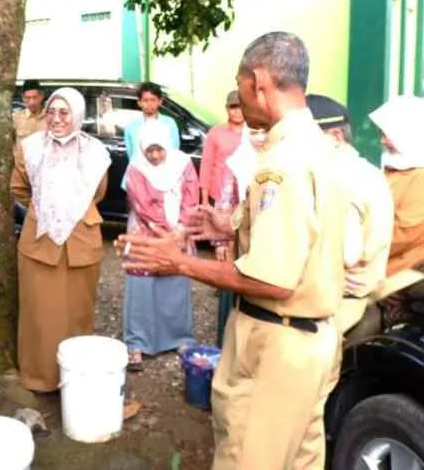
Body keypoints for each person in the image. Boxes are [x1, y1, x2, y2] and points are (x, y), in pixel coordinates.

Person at [117, 32, 348, 469]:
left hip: (278, 346)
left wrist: (180, 263)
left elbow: (271, 280)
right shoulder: (321, 147)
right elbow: (307, 233)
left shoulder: (281, 165)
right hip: (314, 341)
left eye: (239, 87)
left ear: (258, 81)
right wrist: (225, 224)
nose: (239, 99)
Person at [11, 87, 111, 392]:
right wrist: (48, 208)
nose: (56, 119)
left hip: (81, 240)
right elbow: (19, 188)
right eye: (51, 112)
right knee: (39, 314)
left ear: (77, 115)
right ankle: (40, 379)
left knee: (78, 313)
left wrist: (70, 209)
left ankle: (76, 380)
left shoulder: (95, 151)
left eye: (64, 112)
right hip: (40, 241)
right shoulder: (30, 147)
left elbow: (99, 193)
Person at [306, 94, 394, 342]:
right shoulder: (367, 172)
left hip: (337, 311)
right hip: (354, 301)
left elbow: (347, 253)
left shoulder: (340, 179)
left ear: (336, 136)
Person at [123, 120, 199, 370]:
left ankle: (179, 337)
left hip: (179, 231)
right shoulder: (136, 168)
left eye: (159, 149)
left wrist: (182, 228)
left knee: (175, 283)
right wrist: (168, 232)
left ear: (167, 145)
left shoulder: (183, 163)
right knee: (142, 289)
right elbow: (143, 205)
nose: (155, 156)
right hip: (146, 232)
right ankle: (137, 343)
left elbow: (191, 197)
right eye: (149, 150)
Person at [368, 95, 424, 325]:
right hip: (376, 266)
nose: (382, 141)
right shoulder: (396, 168)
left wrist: (359, 249)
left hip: (402, 274)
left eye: (388, 134)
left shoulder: (420, 176)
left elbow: (405, 234)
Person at [214, 125, 267, 345]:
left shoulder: (277, 162)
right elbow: (224, 202)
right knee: (236, 289)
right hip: (238, 239)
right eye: (253, 132)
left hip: (268, 241)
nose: (260, 137)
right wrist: (221, 241)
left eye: (264, 131)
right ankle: (229, 347)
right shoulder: (237, 163)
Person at [122, 82, 180, 189]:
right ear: (139, 103)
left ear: (160, 101)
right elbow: (131, 154)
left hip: (163, 179)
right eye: (145, 100)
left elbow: (174, 151)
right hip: (137, 179)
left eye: (153, 100)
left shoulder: (169, 124)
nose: (149, 104)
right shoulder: (131, 126)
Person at [199, 90, 244, 206]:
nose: (238, 111)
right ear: (227, 109)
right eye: (233, 107)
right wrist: (205, 200)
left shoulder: (254, 133)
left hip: (246, 193)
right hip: (220, 195)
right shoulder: (215, 133)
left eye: (241, 106)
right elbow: (206, 165)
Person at [12, 79, 47, 144]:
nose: (32, 102)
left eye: (35, 97)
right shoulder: (16, 118)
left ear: (41, 96)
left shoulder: (50, 117)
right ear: (23, 98)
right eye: (28, 98)